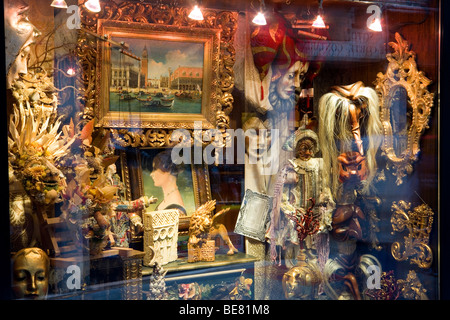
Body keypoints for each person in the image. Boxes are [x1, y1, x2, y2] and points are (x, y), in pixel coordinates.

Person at [150, 150, 186, 215]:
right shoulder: (167, 199)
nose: (151, 174)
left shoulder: (175, 206)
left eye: (155, 169)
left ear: (168, 170)